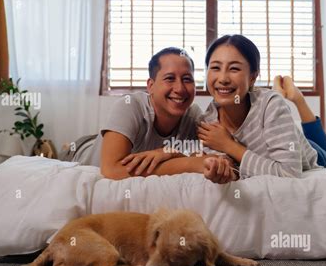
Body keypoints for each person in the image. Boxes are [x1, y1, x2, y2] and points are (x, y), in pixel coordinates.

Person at [197, 34, 326, 181]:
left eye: (234, 69)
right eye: (215, 67)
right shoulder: (207, 123)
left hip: (311, 155)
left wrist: (229, 145)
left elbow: (289, 173)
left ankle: (298, 99)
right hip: (278, 135)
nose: (223, 79)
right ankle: (278, 95)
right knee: (279, 114)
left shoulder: (271, 105)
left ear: (253, 76)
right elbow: (234, 170)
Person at [90, 47, 237, 184]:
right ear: (151, 86)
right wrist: (189, 164)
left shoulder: (193, 116)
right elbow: (112, 170)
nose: (180, 89)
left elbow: (213, 160)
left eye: (187, 79)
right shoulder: (129, 106)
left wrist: (170, 153)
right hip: (82, 150)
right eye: (169, 78)